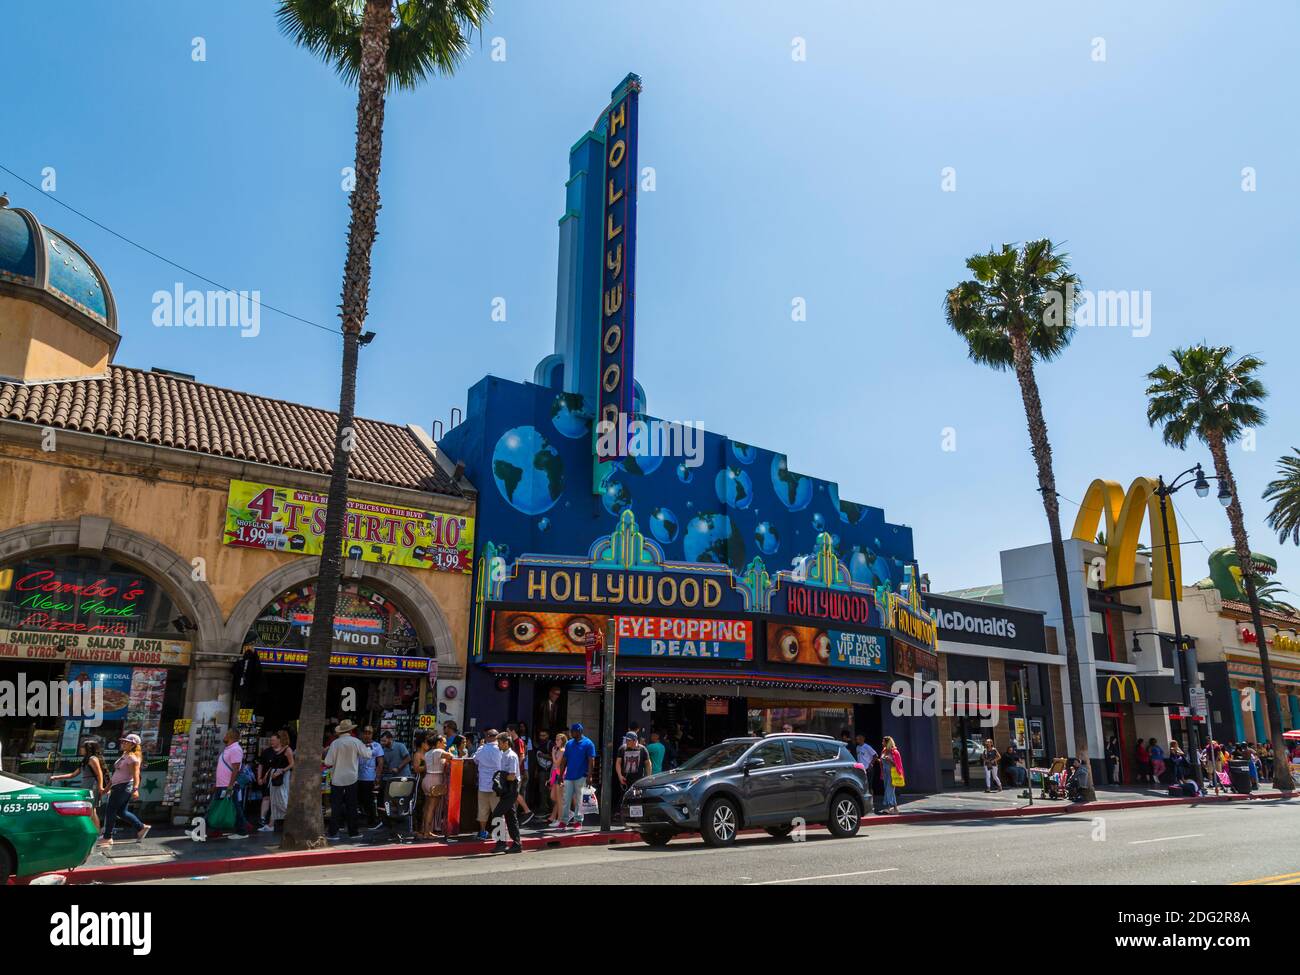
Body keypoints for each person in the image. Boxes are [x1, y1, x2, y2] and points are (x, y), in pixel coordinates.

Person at [323, 719, 372, 840]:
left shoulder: (335, 743)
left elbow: (328, 762)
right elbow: (367, 755)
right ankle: (353, 832)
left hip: (337, 778)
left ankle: (333, 832)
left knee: (336, 806)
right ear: (350, 730)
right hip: (352, 778)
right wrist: (369, 748)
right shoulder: (356, 742)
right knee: (352, 805)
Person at [101, 734, 150, 845]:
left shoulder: (132, 758)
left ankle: (107, 837)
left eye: (126, 742)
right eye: (123, 741)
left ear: (133, 745)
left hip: (123, 787)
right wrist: (107, 788)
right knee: (121, 812)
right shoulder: (125, 755)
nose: (123, 743)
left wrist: (136, 789)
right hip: (118, 786)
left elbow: (136, 774)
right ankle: (141, 827)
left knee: (111, 811)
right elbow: (116, 774)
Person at [51, 739, 105, 831]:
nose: (81, 749)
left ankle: (97, 831)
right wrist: (56, 777)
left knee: (92, 809)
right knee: (89, 808)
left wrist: (100, 786)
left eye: (83, 747)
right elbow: (73, 774)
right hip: (86, 786)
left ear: (88, 749)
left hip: (93, 786)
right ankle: (93, 829)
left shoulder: (92, 759)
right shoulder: (85, 760)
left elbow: (99, 773)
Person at [558, 722, 596, 829]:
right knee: (566, 799)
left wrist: (589, 776)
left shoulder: (588, 743)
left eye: (573, 731)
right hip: (569, 776)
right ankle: (564, 821)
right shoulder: (569, 744)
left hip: (582, 776)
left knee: (580, 800)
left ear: (579, 732)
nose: (571, 733)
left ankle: (578, 821)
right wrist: (561, 775)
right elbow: (564, 760)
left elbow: (591, 760)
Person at [491, 731, 523, 853]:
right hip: (506, 789)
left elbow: (512, 776)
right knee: (511, 817)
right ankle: (516, 844)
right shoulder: (504, 754)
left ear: (505, 743)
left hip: (511, 788)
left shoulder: (511, 756)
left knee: (496, 814)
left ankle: (501, 843)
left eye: (499, 742)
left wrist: (500, 777)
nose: (498, 745)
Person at [214, 728, 249, 839]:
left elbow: (236, 769)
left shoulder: (235, 749)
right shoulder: (229, 749)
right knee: (223, 806)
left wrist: (230, 785)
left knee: (231, 807)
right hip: (223, 784)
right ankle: (242, 829)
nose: (224, 736)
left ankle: (242, 831)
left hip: (228, 785)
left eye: (226, 734)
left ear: (231, 736)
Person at [259, 731, 293, 832]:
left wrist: (281, 771)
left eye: (275, 739)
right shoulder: (275, 750)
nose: (272, 741)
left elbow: (292, 764)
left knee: (282, 798)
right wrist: (266, 775)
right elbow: (272, 765)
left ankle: (291, 818)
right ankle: (271, 824)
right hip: (273, 776)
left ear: (280, 739)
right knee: (274, 800)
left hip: (281, 776)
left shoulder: (287, 750)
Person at [418, 734, 451, 838]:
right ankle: (427, 833)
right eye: (444, 742)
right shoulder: (439, 751)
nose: (445, 744)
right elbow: (451, 757)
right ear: (438, 743)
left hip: (427, 779)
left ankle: (424, 830)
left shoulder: (428, 753)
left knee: (427, 807)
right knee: (431, 808)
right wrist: (450, 751)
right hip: (435, 780)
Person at [473, 729, 503, 839]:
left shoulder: (481, 749)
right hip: (497, 785)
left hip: (483, 784)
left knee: (482, 810)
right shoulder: (500, 749)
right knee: (498, 810)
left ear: (487, 737)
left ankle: (482, 832)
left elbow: (475, 760)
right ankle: (498, 834)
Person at [356, 726, 384, 830]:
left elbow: (380, 762)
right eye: (365, 732)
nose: (367, 735)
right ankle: (361, 819)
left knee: (369, 800)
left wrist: (378, 776)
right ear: (362, 733)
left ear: (372, 734)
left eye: (369, 733)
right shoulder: (357, 744)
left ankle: (372, 821)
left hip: (369, 777)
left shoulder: (377, 746)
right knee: (358, 800)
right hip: (356, 777)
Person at [616, 731, 651, 811]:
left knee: (637, 798)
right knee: (624, 798)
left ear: (634, 740)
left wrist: (648, 777)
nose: (626, 742)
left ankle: (636, 817)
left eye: (629, 740)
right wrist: (620, 775)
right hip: (625, 779)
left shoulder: (642, 749)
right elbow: (618, 763)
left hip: (638, 780)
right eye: (626, 740)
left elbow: (648, 764)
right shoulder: (622, 749)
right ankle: (624, 815)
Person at [547, 732, 568, 827]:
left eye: (558, 740)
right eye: (556, 739)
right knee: (553, 797)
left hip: (561, 775)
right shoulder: (558, 750)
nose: (556, 741)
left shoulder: (562, 750)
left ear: (562, 741)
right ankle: (565, 813)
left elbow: (556, 763)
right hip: (556, 775)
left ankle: (560, 819)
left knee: (559, 799)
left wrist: (552, 753)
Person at [531, 729, 553, 814]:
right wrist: (536, 771)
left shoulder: (550, 744)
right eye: (540, 735)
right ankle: (544, 808)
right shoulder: (539, 745)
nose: (542, 737)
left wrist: (543, 755)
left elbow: (555, 757)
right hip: (541, 771)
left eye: (544, 735)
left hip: (548, 771)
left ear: (547, 736)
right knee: (542, 790)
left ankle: (549, 809)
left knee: (548, 790)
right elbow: (537, 759)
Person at [880, 736, 904, 814]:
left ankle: (888, 807)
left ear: (888, 743)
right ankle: (896, 809)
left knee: (889, 790)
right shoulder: (883, 751)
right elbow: (882, 762)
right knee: (891, 791)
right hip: (885, 773)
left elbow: (898, 764)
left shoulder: (895, 752)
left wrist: (890, 760)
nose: (882, 743)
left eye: (883, 742)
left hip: (892, 773)